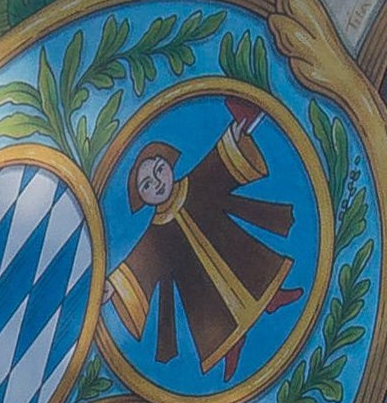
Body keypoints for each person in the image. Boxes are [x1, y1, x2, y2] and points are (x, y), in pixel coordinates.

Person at [108, 117, 308, 384]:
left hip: (229, 246)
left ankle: (274, 298)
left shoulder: (193, 182)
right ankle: (231, 348)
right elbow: (136, 266)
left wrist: (232, 138)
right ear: (142, 198)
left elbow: (216, 164)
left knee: (254, 268)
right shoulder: (154, 232)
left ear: (168, 165)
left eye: (158, 170)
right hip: (198, 287)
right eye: (146, 185)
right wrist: (114, 288)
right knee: (214, 323)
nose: (156, 183)